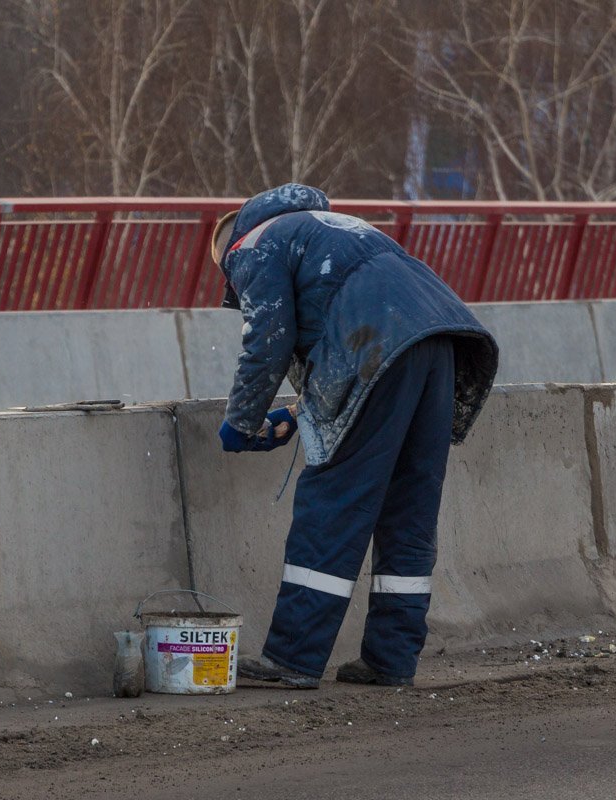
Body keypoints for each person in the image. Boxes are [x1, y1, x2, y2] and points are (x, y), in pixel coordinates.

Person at [211, 183, 499, 688]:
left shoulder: (250, 245)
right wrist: (299, 414)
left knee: (334, 499)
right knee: (408, 506)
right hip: (439, 343)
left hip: (379, 346)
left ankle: (293, 658)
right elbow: (339, 322)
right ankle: (391, 658)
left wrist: (240, 421)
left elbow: (269, 338)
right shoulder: (335, 229)